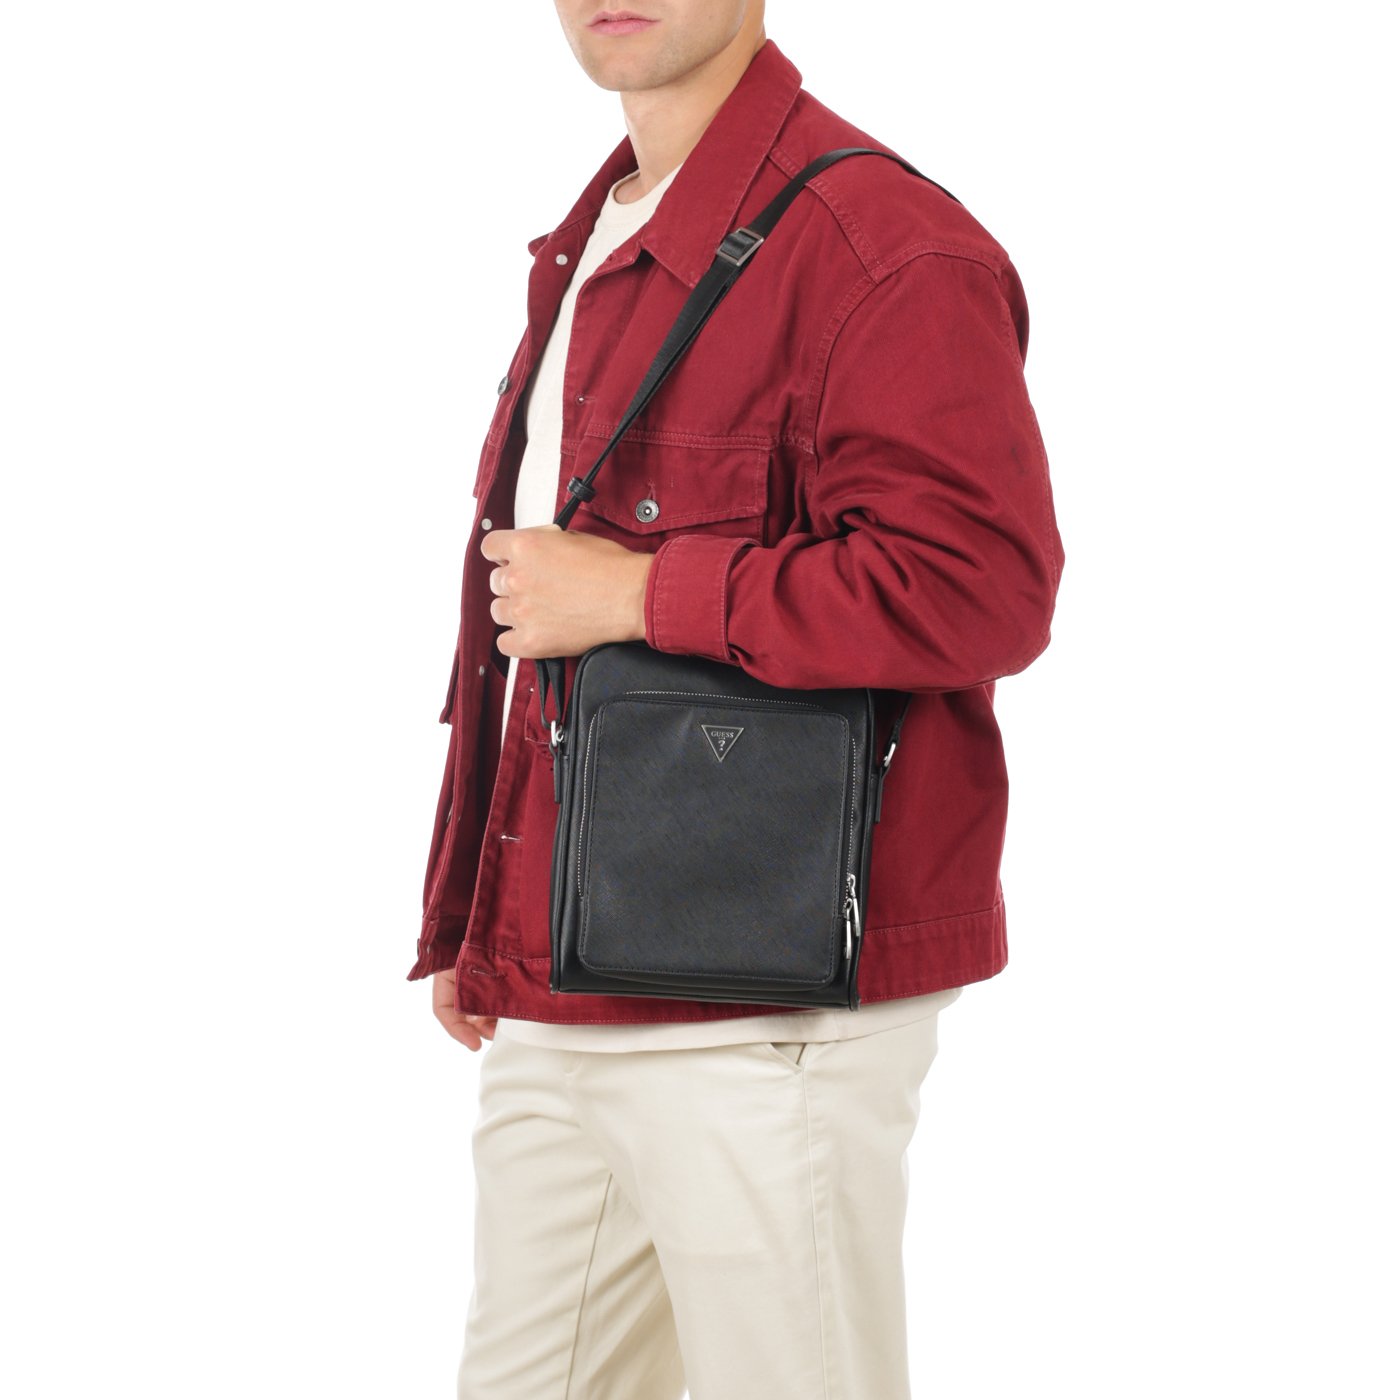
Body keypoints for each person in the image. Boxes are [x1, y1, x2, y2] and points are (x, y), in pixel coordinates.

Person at [412, 4, 1063, 1395]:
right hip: (559, 985)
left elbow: (984, 592)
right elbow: (528, 620)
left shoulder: (882, 247)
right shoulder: (594, 241)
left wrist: (648, 594)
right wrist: (478, 914)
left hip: (766, 1015)